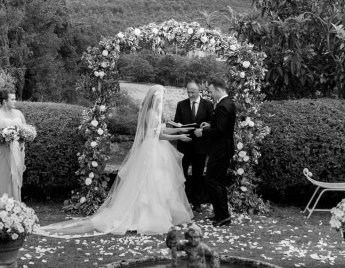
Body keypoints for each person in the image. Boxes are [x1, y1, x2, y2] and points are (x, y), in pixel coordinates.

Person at [40, 85, 194, 235]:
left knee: (160, 182)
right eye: (163, 97)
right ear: (157, 98)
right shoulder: (151, 113)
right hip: (152, 150)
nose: (164, 99)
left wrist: (179, 129)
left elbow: (162, 129)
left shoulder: (155, 112)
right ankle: (145, 217)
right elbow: (157, 135)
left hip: (157, 149)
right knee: (149, 182)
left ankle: (161, 214)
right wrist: (179, 137)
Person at [194, 78, 236, 227]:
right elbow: (220, 125)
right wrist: (209, 124)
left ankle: (223, 216)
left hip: (221, 149)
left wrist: (202, 132)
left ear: (219, 90)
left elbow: (220, 131)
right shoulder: (228, 103)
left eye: (211, 92)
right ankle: (221, 213)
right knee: (218, 181)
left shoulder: (223, 106)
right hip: (223, 147)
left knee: (212, 181)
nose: (211, 95)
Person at [173, 80, 213, 211]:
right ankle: (181, 201)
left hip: (200, 146)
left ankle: (197, 202)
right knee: (181, 173)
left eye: (193, 92)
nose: (190, 95)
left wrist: (204, 130)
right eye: (188, 92)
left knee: (198, 175)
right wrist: (179, 129)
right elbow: (176, 122)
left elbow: (212, 124)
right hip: (184, 144)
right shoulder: (181, 104)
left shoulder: (208, 105)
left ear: (199, 91)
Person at [0, 89, 27, 200]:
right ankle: (0, 204)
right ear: (5, 101)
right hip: (0, 151)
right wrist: (2, 138)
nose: (15, 101)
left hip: (16, 150)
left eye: (15, 99)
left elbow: (25, 130)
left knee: (14, 177)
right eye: (12, 99)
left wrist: (25, 136)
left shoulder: (19, 113)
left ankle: (16, 203)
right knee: (2, 177)